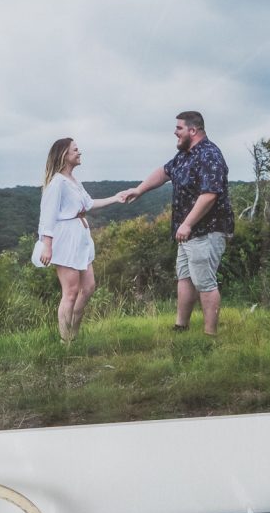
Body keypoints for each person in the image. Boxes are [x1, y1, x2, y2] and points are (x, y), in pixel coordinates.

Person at [125, 111, 234, 338]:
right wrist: (139, 189)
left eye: (179, 128)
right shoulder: (185, 155)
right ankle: (181, 327)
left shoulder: (209, 155)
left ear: (193, 131)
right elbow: (164, 172)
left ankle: (210, 336)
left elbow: (210, 194)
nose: (175, 132)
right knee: (184, 277)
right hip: (187, 233)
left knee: (205, 282)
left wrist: (187, 224)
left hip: (206, 230)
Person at [32, 137, 131, 343]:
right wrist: (47, 245)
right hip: (65, 238)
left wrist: (116, 197)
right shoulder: (57, 183)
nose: (79, 152)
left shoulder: (74, 181)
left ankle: (73, 332)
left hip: (81, 237)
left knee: (88, 287)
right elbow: (47, 216)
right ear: (64, 155)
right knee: (70, 292)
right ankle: (65, 340)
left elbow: (88, 204)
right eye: (75, 150)